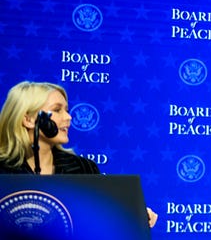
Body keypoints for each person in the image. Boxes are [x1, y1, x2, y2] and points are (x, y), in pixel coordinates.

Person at [0, 81, 158, 227]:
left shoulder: (84, 168)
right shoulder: (3, 169)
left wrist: (136, 216)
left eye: (67, 110)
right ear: (28, 119)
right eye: (57, 110)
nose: (68, 117)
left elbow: (101, 220)